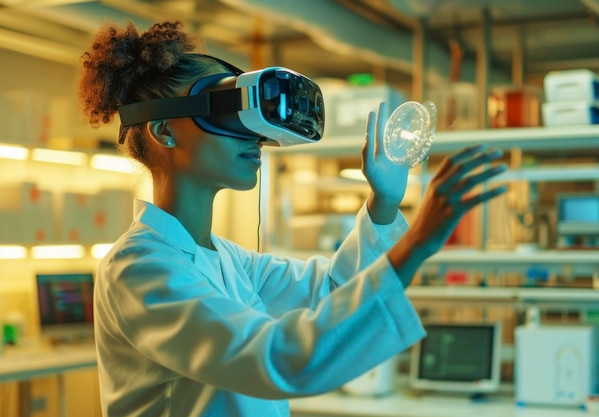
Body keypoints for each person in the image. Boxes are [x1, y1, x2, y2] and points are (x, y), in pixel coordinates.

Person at [78, 20, 507, 417]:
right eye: (228, 112)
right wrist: (418, 244)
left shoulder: (228, 260)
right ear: (164, 131)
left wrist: (385, 202)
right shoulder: (138, 270)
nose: (257, 136)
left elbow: (331, 290)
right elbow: (271, 357)